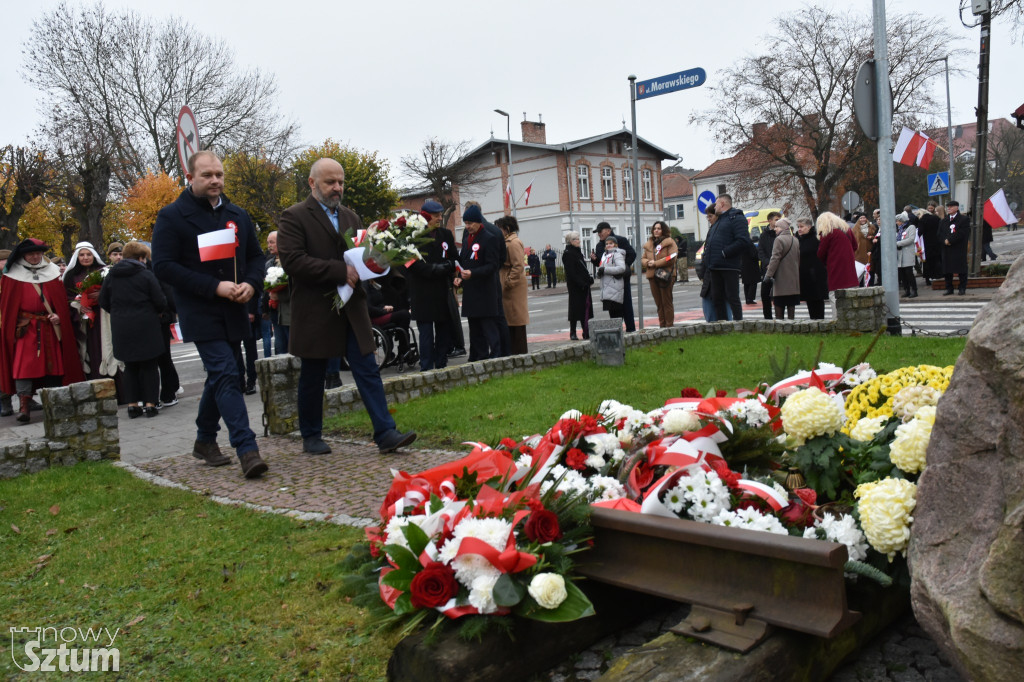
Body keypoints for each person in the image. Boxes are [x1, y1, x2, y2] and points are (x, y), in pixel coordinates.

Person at [277, 157, 416, 456]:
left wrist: (387, 268)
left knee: (367, 367)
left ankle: (385, 432)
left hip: (352, 307)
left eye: (340, 182)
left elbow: (363, 256)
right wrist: (339, 271)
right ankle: (311, 434)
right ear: (312, 183)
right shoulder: (294, 216)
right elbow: (293, 261)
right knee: (314, 373)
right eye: (330, 182)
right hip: (316, 309)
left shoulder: (351, 217)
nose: (337, 187)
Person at [152, 149, 268, 478]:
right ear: (190, 177)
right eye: (207, 175)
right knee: (227, 374)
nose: (215, 180)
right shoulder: (172, 216)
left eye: (219, 174)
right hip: (200, 310)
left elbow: (256, 257)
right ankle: (247, 448)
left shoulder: (238, 214)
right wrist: (213, 287)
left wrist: (251, 284)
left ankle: (204, 439)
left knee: (221, 375)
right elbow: (164, 266)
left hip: (234, 309)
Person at [0, 239, 85, 423]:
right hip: (25, 328)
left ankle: (55, 404)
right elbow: (8, 308)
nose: (35, 256)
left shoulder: (52, 273)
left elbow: (61, 302)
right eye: (31, 254)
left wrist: (58, 316)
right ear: (23, 255)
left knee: (53, 365)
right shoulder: (12, 276)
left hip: (49, 327)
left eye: (38, 253)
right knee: (23, 366)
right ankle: (24, 406)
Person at [98, 241, 167, 418]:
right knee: (149, 365)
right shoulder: (145, 275)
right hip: (146, 324)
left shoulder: (111, 275)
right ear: (141, 258)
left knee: (130, 366)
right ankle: (150, 404)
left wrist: (118, 312)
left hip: (121, 326)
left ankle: (132, 405)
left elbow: (103, 301)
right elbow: (160, 300)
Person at [407, 200, 456, 371]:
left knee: (443, 331)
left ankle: (441, 365)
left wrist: (449, 266)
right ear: (426, 217)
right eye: (436, 216)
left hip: (441, 291)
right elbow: (410, 264)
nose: (440, 218)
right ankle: (426, 368)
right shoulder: (412, 236)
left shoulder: (446, 234)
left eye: (440, 215)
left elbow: (453, 257)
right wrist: (433, 269)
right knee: (426, 334)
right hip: (422, 293)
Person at [454, 204, 503, 360]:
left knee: (489, 327)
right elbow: (464, 262)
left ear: (478, 222)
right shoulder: (467, 240)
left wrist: (473, 273)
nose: (467, 226)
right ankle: (481, 357)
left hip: (485, 291)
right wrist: (460, 277)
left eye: (470, 223)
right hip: (471, 292)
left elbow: (492, 265)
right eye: (465, 223)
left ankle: (496, 356)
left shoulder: (489, 238)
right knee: (474, 329)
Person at [63, 242, 118, 383]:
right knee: (91, 349)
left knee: (107, 345)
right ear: (77, 257)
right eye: (82, 255)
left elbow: (115, 290)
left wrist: (102, 294)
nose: (85, 257)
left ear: (94, 256)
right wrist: (79, 305)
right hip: (84, 320)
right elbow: (66, 298)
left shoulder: (104, 271)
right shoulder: (71, 276)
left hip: (104, 316)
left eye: (88, 254)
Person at [704, 194, 752, 321]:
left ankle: (738, 324)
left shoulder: (736, 218)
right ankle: (723, 325)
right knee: (717, 298)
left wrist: (725, 253)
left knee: (732, 298)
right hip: (715, 266)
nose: (715, 207)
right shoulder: (719, 221)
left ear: (722, 204)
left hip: (729, 266)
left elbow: (743, 241)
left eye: (716, 204)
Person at [591, 222, 637, 331]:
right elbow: (601, 263)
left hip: (621, 279)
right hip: (608, 282)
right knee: (613, 308)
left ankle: (631, 330)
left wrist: (623, 267)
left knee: (626, 306)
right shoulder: (599, 245)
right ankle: (616, 331)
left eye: (600, 231)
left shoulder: (621, 240)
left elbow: (632, 254)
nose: (599, 234)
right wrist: (595, 260)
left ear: (608, 230)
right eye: (597, 232)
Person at [495, 216, 529, 354]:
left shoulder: (513, 242)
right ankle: (513, 351)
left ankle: (519, 353)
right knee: (510, 321)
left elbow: (518, 265)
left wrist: (509, 282)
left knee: (516, 321)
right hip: (508, 285)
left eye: (499, 228)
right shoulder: (508, 241)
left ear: (507, 228)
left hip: (513, 288)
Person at [816, 211, 859, 315]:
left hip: (835, 268)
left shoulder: (827, 233)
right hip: (849, 268)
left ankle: (838, 319)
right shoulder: (847, 230)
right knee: (851, 296)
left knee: (835, 297)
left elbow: (821, 254)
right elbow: (855, 246)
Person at [697, 207, 732, 322]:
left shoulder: (723, 230)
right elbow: (706, 253)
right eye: (707, 216)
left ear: (718, 216)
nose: (708, 219)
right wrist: (702, 273)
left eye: (710, 216)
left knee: (723, 307)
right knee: (709, 304)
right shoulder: (712, 230)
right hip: (709, 274)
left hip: (720, 273)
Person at [641, 220, 678, 327]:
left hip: (665, 275)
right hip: (652, 275)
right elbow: (643, 258)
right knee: (658, 303)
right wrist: (647, 262)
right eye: (654, 229)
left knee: (666, 302)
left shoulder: (669, 242)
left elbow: (672, 258)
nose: (656, 230)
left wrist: (655, 263)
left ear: (663, 230)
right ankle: (662, 325)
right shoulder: (649, 244)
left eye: (659, 229)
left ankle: (669, 325)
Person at [763, 217, 801, 320]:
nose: (775, 229)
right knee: (791, 308)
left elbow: (775, 259)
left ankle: (780, 328)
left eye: (777, 227)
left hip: (781, 279)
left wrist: (768, 275)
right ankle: (792, 327)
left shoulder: (778, 239)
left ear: (783, 228)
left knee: (779, 309)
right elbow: (798, 259)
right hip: (793, 280)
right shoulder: (795, 240)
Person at [263, 230, 291, 356]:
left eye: (272, 242)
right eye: (268, 242)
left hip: (289, 311)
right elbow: (265, 289)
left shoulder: (290, 261)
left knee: (291, 345)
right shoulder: (269, 263)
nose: (269, 246)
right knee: (280, 346)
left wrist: (279, 295)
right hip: (275, 312)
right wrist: (264, 308)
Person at [562, 231, 593, 340]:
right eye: (577, 239)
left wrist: (588, 279)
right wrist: (581, 283)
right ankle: (573, 332)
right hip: (575, 286)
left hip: (584, 285)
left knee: (585, 308)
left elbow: (582, 268)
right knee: (575, 309)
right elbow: (571, 272)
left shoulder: (578, 251)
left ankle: (586, 331)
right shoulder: (568, 253)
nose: (579, 241)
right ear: (571, 241)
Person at [795, 218, 828, 320]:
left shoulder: (816, 238)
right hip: (804, 275)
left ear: (809, 227)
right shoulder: (798, 239)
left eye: (802, 227)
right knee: (809, 300)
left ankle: (820, 321)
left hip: (816, 274)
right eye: (798, 227)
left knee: (818, 299)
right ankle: (813, 321)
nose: (799, 229)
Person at [938, 200, 970, 296]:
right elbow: (939, 234)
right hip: (946, 249)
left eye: (951, 206)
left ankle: (962, 288)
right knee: (947, 270)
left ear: (957, 208)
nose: (949, 208)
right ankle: (949, 288)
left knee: (961, 269)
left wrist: (950, 240)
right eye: (948, 207)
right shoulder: (944, 221)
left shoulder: (963, 219)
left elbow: (962, 233)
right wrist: (944, 240)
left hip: (958, 248)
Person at [597, 235, 627, 319]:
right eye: (607, 244)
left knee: (617, 314)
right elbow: (601, 268)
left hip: (615, 288)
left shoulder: (617, 254)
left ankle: (619, 327)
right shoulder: (605, 255)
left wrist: (605, 270)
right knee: (612, 315)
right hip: (606, 290)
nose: (608, 245)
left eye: (611, 243)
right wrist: (599, 273)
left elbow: (621, 268)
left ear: (615, 244)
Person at [757, 212, 780, 318]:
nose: (778, 221)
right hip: (767, 268)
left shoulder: (781, 233)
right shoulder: (764, 235)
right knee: (765, 294)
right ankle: (768, 318)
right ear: (770, 221)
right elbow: (760, 251)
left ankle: (780, 317)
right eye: (776, 219)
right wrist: (767, 263)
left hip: (779, 268)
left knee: (779, 295)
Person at [895, 212, 919, 298]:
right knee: (902, 274)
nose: (896, 223)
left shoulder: (911, 227)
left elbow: (911, 239)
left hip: (907, 253)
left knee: (909, 273)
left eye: (898, 221)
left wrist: (897, 243)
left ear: (902, 221)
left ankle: (914, 290)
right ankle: (907, 290)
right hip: (899, 254)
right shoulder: (898, 229)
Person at [918, 203, 943, 284]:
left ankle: (928, 279)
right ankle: (938, 276)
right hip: (937, 242)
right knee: (937, 260)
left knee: (927, 262)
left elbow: (920, 232)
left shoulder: (922, 220)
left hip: (927, 244)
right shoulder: (936, 218)